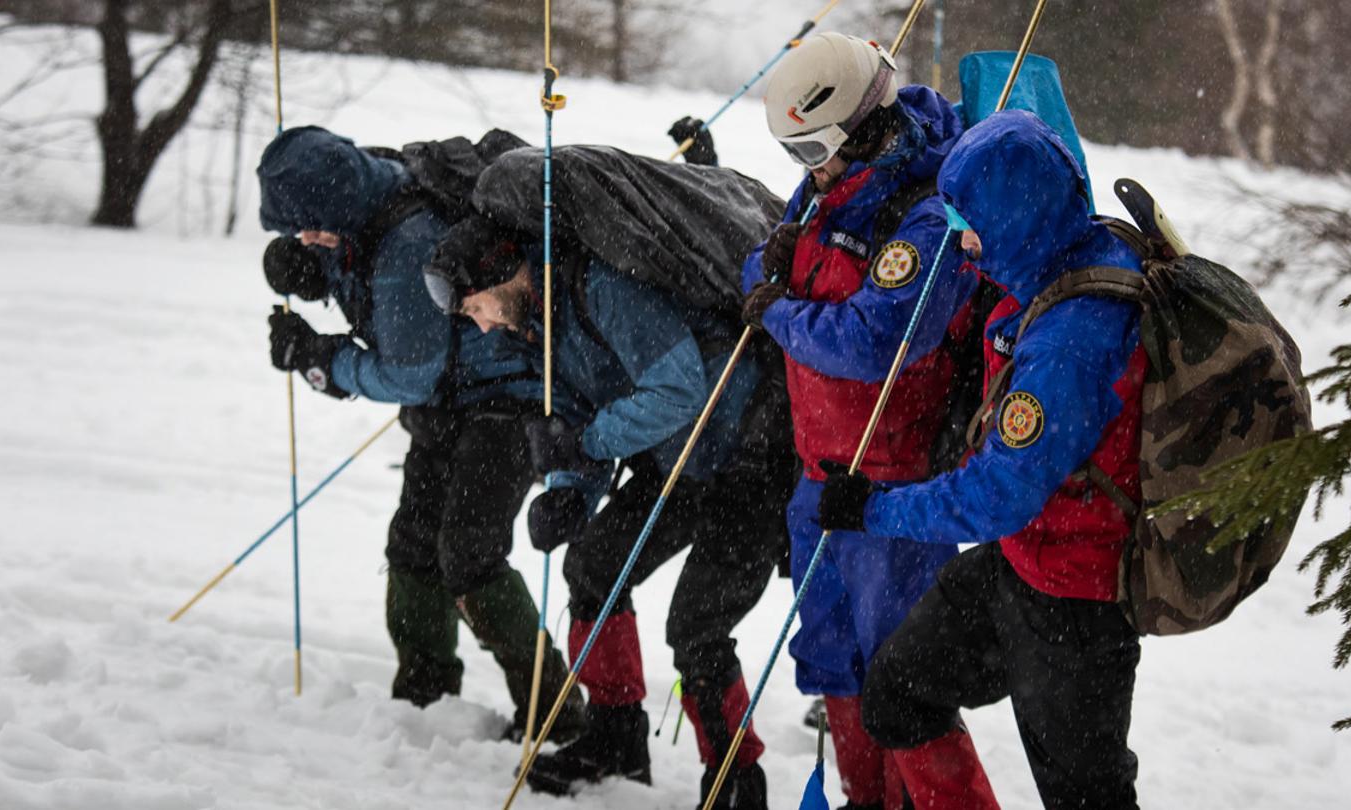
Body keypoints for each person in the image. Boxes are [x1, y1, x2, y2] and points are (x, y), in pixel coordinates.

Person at [818, 110, 1148, 810]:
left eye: (972, 225)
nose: (962, 241)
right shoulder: (1067, 251)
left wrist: (875, 508)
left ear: (1017, 219)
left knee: (1087, 798)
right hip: (1022, 561)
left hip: (1077, 598)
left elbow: (1000, 493)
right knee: (898, 694)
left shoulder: (1070, 343)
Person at [429, 215, 793, 810]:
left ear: (502, 273)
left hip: (751, 456)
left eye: (476, 307)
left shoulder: (600, 288)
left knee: (696, 625)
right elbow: (580, 412)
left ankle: (735, 781)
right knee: (593, 569)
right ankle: (616, 738)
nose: (483, 324)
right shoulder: (538, 323)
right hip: (678, 460)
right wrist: (573, 487)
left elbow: (679, 390)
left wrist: (588, 446)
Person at [254, 125, 585, 742]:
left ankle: (555, 713)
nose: (308, 238)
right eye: (297, 233)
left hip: (507, 400)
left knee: (469, 553)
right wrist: (315, 268)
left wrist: (321, 358)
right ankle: (423, 695)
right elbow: (355, 258)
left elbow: (409, 372)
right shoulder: (366, 197)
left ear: (336, 202)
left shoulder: (408, 243)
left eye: (311, 228)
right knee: (412, 546)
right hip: (449, 403)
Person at [739, 32, 976, 810]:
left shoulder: (928, 215)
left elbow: (875, 343)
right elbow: (763, 263)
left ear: (864, 126)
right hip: (821, 474)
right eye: (792, 151)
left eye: (812, 148)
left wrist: (780, 313)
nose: (805, 167)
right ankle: (864, 798)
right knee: (832, 655)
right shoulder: (829, 186)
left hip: (892, 490)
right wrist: (772, 268)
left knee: (904, 675)